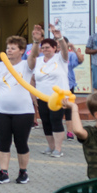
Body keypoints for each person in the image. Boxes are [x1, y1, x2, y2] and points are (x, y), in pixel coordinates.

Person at [0, 35, 33, 185]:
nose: (9, 51)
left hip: (23, 111)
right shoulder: (0, 66)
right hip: (1, 110)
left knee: (21, 142)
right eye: (8, 48)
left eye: (13, 48)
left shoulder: (27, 65)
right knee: (3, 142)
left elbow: (33, 58)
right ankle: (3, 172)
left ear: (22, 51)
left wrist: (38, 41)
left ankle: (23, 172)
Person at [28, 27, 70, 158]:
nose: (45, 50)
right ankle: (50, 146)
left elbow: (64, 50)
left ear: (54, 48)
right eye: (43, 48)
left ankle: (58, 148)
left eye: (48, 47)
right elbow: (33, 77)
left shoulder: (60, 59)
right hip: (42, 96)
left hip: (58, 97)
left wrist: (59, 38)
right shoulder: (39, 61)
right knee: (45, 121)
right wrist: (33, 95)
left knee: (55, 120)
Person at [64, 39, 84, 140]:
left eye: (62, 43)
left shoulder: (70, 55)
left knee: (68, 108)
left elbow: (80, 60)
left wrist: (74, 48)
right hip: (54, 87)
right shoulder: (52, 56)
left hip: (68, 85)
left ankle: (69, 132)